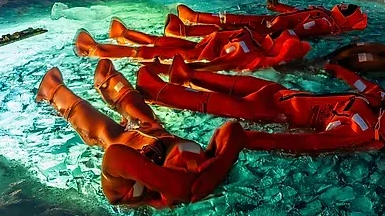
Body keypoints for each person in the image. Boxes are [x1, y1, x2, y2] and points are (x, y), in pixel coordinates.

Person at [35, 59, 245, 208]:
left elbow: (116, 156)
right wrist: (219, 166)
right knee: (144, 119)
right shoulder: (205, 169)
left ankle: (53, 91)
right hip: (156, 143)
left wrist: (178, 182)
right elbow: (233, 129)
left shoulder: (130, 188)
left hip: (134, 155)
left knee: (106, 131)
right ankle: (109, 82)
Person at [136, 57, 385, 153]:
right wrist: (338, 70)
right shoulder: (376, 102)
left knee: (217, 102)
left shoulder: (359, 131)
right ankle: (186, 74)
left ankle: (154, 90)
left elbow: (307, 141)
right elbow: (363, 84)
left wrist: (252, 138)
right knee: (233, 85)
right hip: (283, 93)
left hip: (277, 113)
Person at [73, 19, 310, 72]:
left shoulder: (255, 54)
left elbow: (219, 62)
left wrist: (195, 66)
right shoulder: (258, 46)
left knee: (159, 51)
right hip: (211, 47)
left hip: (206, 53)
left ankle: (97, 50)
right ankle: (124, 36)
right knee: (168, 46)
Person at [171, 0, 367, 39]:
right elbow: (297, 12)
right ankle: (195, 17)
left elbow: (300, 29)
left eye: (346, 8)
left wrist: (275, 31)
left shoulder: (324, 22)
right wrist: (278, 7)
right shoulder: (324, 15)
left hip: (274, 29)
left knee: (235, 29)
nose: (343, 5)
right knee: (238, 19)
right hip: (275, 23)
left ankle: (186, 30)